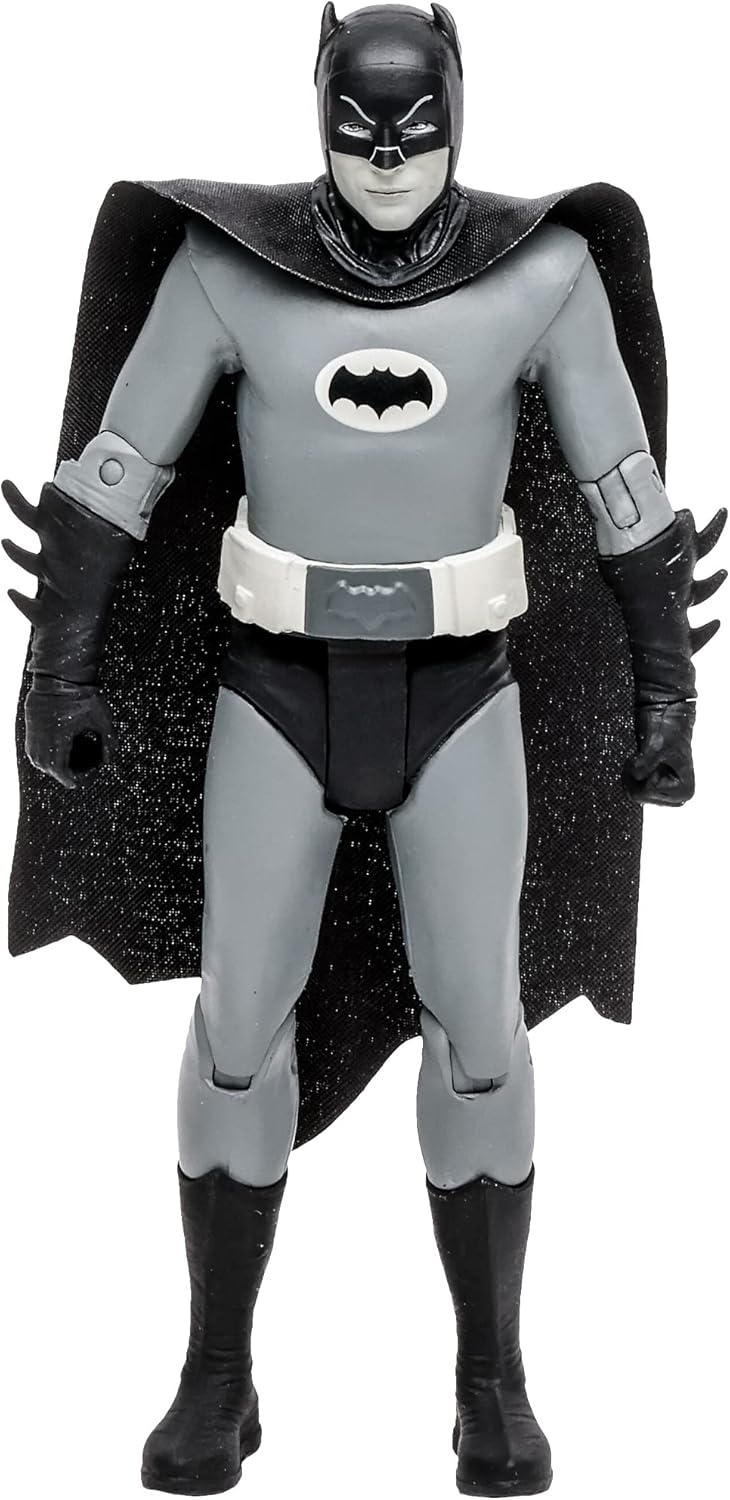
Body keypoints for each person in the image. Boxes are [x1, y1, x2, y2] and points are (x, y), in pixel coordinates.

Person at [3, 6, 724, 1495]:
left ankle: (491, 1381)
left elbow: (624, 493)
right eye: (358, 121)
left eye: (416, 122)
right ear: (316, 107)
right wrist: (59, 665)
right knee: (237, 1027)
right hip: (275, 682)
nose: (388, 154)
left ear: (461, 109)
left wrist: (664, 689)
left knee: (483, 1029)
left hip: (465, 687)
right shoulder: (227, 268)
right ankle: (216, 1374)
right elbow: (117, 478)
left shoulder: (542, 274)